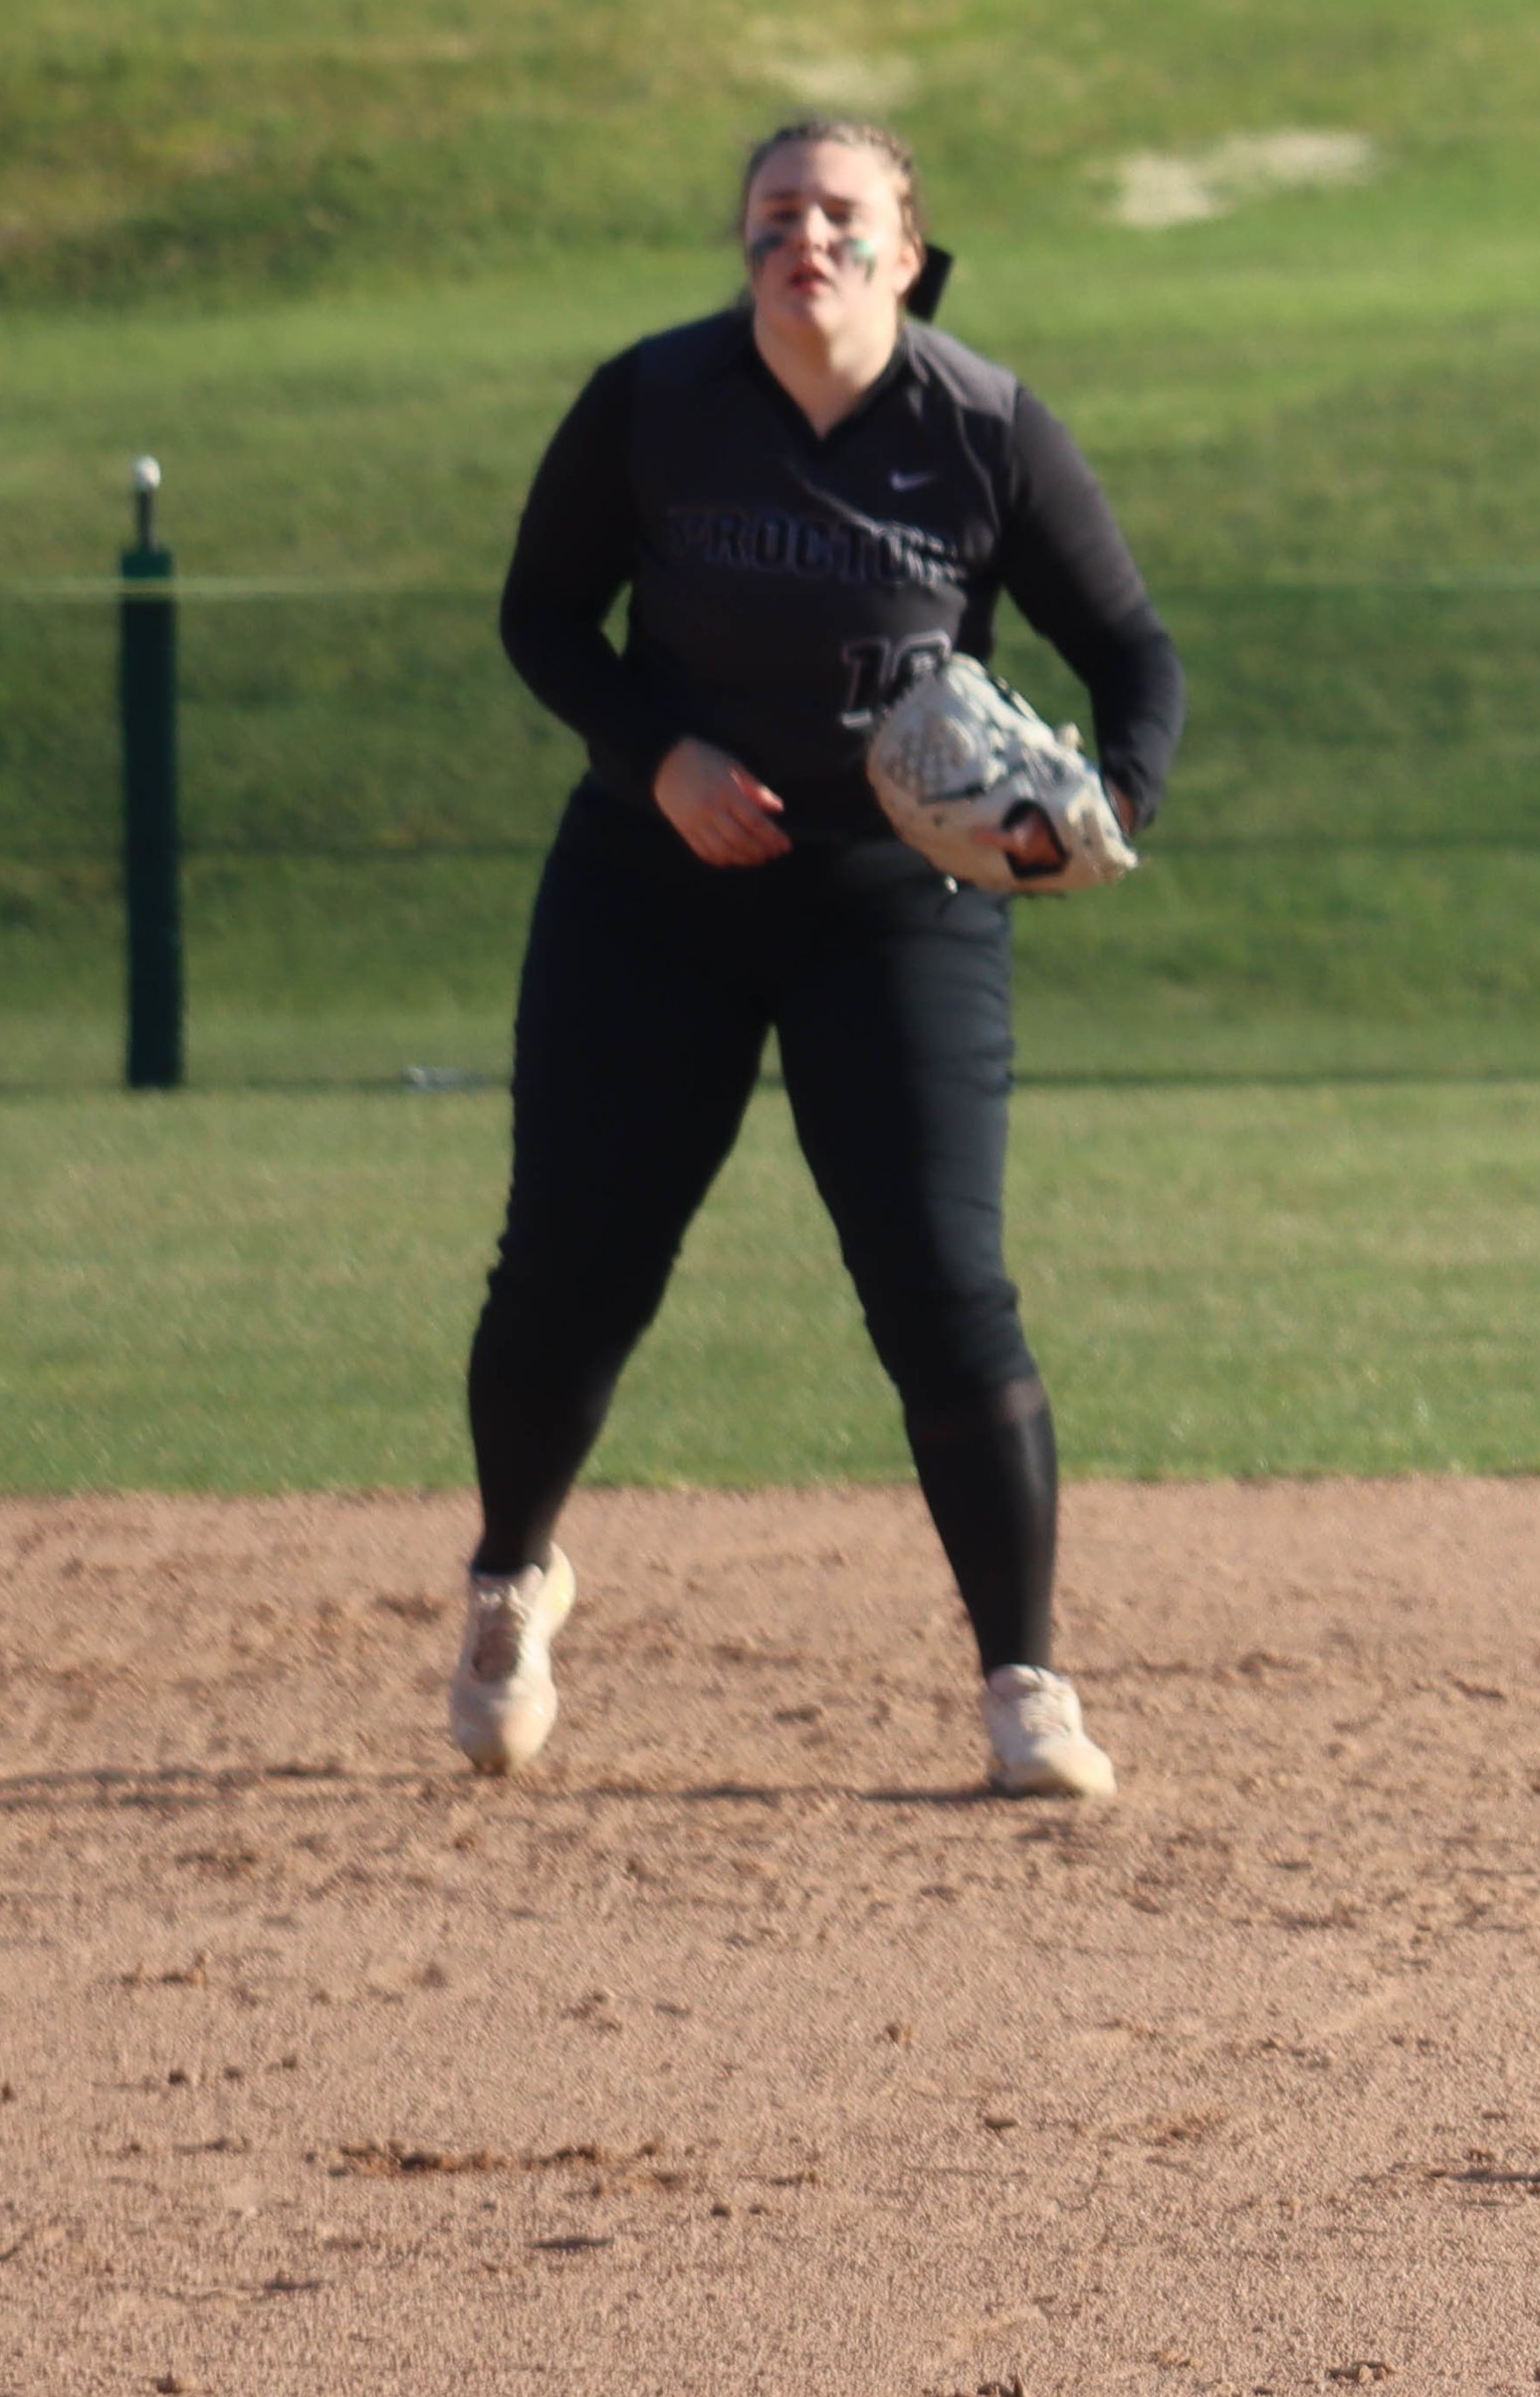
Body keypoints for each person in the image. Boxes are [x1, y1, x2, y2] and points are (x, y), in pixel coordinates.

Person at [447, 117, 1185, 1804]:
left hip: (893, 907)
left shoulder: (984, 425)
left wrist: (1106, 805)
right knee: (569, 1270)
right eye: (778, 212)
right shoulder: (652, 401)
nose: (809, 238)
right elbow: (542, 616)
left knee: (942, 1289)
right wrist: (662, 761)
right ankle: (511, 1581)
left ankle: (1025, 1686)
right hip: (652, 889)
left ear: (905, 252)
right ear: (747, 242)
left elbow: (1132, 648)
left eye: (844, 215)